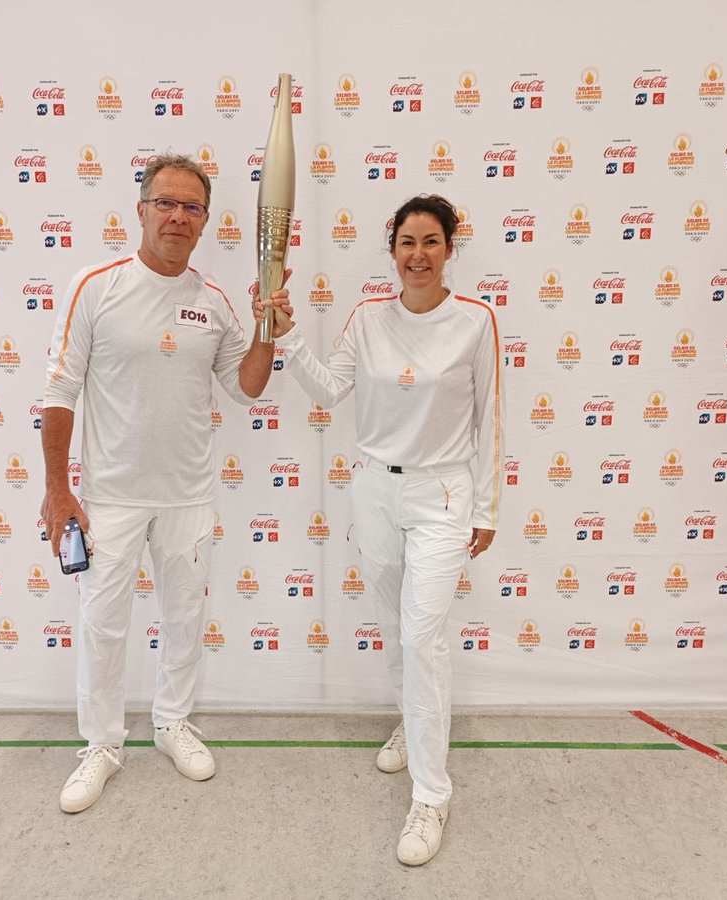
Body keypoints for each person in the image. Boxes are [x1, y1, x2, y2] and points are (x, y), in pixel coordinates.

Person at [259, 194, 503, 865]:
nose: (418, 256)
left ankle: (432, 794)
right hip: (374, 489)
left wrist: (485, 508)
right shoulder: (368, 319)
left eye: (431, 242)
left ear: (450, 249)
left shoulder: (476, 321)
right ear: (391, 250)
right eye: (406, 243)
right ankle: (411, 721)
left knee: (423, 637)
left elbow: (490, 419)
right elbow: (328, 389)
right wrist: (285, 332)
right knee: (399, 628)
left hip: (442, 494)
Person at [41, 153, 279, 814]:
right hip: (110, 500)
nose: (178, 216)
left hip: (188, 498)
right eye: (166, 204)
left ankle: (173, 723)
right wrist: (59, 490)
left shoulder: (214, 302)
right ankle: (103, 744)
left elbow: (247, 386)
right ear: (141, 211)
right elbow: (59, 393)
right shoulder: (96, 286)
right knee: (103, 626)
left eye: (192, 207)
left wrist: (267, 330)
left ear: (205, 222)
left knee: (183, 621)